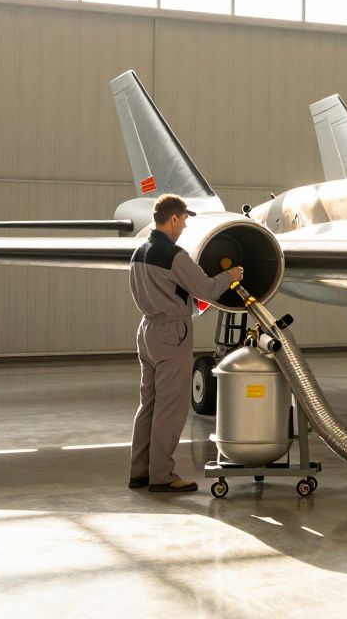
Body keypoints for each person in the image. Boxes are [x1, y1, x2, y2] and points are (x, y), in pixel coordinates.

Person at [128, 194, 243, 492]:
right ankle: (162, 476)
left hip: (147, 330)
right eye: (184, 220)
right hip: (171, 334)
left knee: (148, 404)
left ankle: (139, 472)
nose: (185, 226)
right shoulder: (174, 255)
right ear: (173, 218)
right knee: (171, 407)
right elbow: (206, 288)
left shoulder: (139, 252)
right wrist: (229, 276)